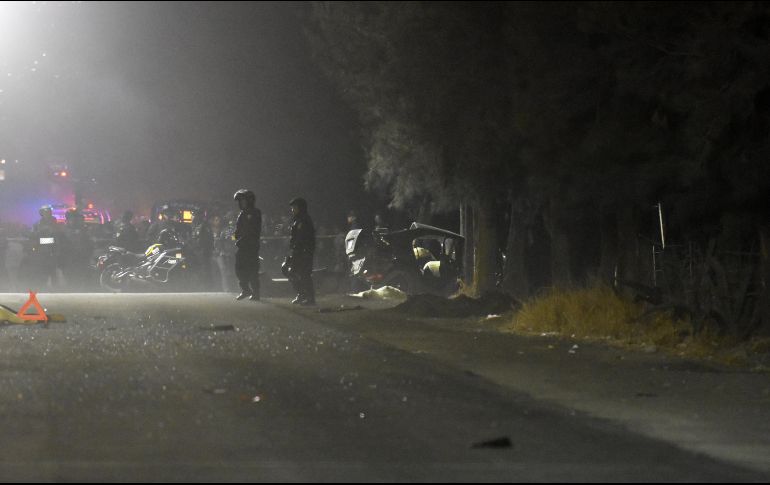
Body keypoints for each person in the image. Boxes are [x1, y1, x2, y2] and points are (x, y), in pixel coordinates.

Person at [284, 197, 315, 305]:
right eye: (292, 208)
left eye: (295, 207)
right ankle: (301, 294)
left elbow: (304, 238)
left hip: (304, 252)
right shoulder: (297, 220)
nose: (292, 210)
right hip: (297, 251)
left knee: (304, 274)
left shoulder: (305, 220)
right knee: (290, 271)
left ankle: (310, 298)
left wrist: (302, 251)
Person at [233, 189, 262, 301]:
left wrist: (243, 237)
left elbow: (251, 231)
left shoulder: (255, 213)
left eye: (243, 200)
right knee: (239, 269)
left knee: (252, 270)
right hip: (242, 246)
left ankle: (256, 292)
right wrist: (237, 236)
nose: (241, 203)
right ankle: (245, 289)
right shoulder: (242, 214)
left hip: (251, 247)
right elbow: (239, 230)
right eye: (240, 201)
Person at [191, 212, 215, 290]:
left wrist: (204, 249)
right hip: (196, 250)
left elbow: (208, 239)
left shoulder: (204, 226)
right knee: (198, 268)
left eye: (193, 216)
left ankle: (206, 286)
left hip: (202, 251)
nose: (192, 217)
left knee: (204, 268)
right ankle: (200, 285)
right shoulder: (195, 226)